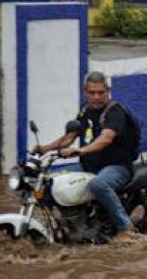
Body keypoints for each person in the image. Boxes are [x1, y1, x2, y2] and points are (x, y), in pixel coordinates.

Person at [34, 72, 137, 240]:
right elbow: (69, 138)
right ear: (85, 92)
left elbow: (106, 138)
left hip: (118, 166)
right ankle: (66, 222)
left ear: (108, 91)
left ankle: (125, 226)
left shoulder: (115, 111)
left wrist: (80, 151)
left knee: (98, 184)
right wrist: (44, 149)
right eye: (92, 92)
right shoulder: (85, 111)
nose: (96, 97)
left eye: (100, 92)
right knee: (52, 180)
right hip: (89, 166)